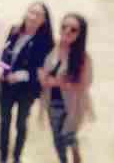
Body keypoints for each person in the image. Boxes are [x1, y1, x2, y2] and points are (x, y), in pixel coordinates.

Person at [0, 2, 54, 163]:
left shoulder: (46, 43)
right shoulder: (15, 30)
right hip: (7, 85)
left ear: (44, 20)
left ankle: (16, 157)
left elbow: (41, 69)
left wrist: (19, 75)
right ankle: (2, 157)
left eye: (39, 14)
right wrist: (1, 68)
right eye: (31, 12)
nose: (33, 16)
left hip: (27, 90)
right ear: (26, 12)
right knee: (4, 122)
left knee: (21, 123)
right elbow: (5, 54)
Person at [38, 14, 94, 163]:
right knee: (57, 138)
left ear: (80, 34)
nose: (67, 31)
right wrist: (42, 77)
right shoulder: (52, 48)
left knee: (68, 134)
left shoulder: (83, 57)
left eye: (73, 29)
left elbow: (84, 85)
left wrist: (56, 83)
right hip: (52, 102)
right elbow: (42, 69)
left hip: (73, 105)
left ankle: (75, 151)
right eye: (64, 27)